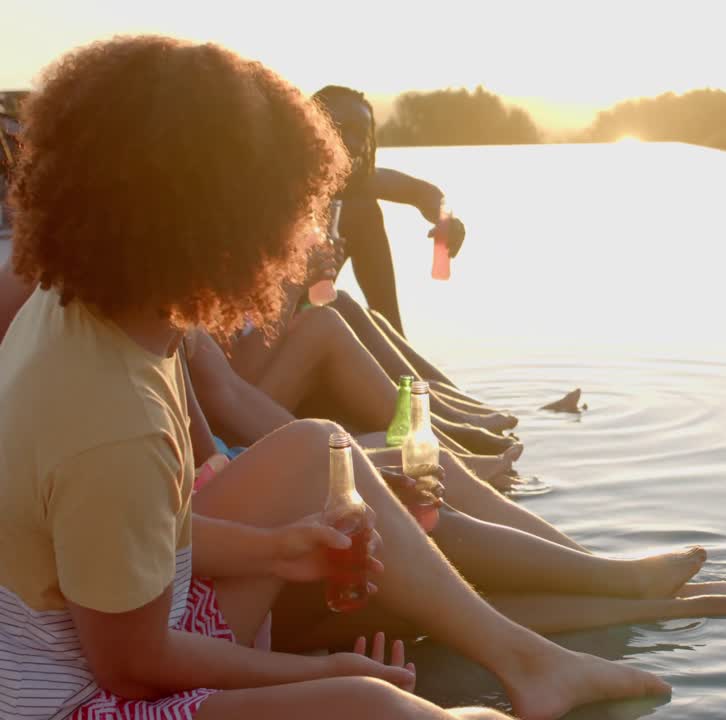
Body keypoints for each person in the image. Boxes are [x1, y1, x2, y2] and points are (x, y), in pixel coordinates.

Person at [0, 36, 674, 720]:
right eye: (289, 214)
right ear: (218, 227)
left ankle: (530, 662)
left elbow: (143, 535)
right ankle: (513, 666)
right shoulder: (117, 424)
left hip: (112, 621)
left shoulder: (88, 311)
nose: (301, 239)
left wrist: (276, 549)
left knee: (314, 449)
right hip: (79, 697)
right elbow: (133, 669)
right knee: (370, 704)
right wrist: (314, 673)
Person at [312, 84, 462, 336]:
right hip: (274, 323)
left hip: (315, 313)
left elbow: (420, 192)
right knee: (345, 307)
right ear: (310, 125)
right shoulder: (278, 184)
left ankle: (395, 336)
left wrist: (445, 219)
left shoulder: (355, 183)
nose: (354, 143)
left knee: (364, 211)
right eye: (342, 129)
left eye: (362, 134)